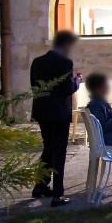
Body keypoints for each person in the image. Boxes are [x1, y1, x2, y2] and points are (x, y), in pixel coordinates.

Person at [29, 30, 79, 207]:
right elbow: (66, 89)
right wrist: (76, 83)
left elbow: (35, 87)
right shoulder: (65, 63)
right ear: (66, 45)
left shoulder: (37, 62)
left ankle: (40, 185)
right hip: (59, 113)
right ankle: (57, 194)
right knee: (59, 152)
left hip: (42, 111)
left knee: (48, 149)